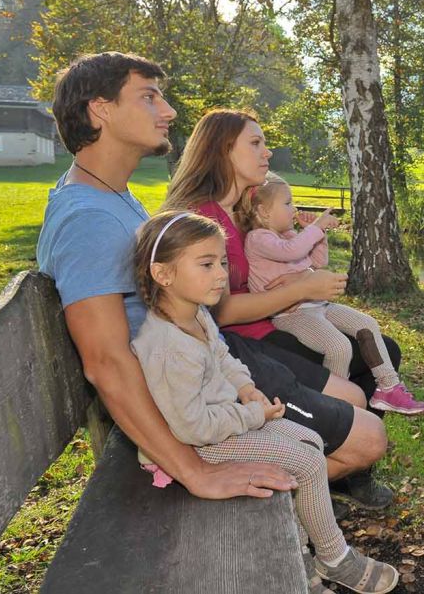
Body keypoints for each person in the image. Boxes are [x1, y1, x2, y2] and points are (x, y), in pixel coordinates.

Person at [35, 52, 293, 499]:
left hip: (197, 374)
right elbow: (106, 362)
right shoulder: (88, 219)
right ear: (101, 109)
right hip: (179, 408)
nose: (169, 111)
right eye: (149, 97)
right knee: (354, 442)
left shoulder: (110, 196)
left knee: (328, 428)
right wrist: (195, 473)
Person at [130, 210, 399, 593]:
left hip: (226, 418)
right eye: (206, 265)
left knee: (308, 440)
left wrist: (245, 388)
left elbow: (224, 357)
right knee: (304, 461)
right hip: (200, 443)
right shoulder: (169, 348)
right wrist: (252, 413)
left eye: (222, 262)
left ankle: (300, 552)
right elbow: (192, 427)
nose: (222, 274)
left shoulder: (196, 316)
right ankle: (334, 558)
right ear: (163, 274)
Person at [163, 109, 400, 508]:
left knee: (381, 349)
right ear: (223, 151)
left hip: (261, 331)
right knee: (357, 386)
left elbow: (267, 262)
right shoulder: (201, 217)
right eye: (255, 143)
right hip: (241, 345)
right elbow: (218, 314)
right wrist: (300, 289)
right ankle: (329, 467)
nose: (267, 153)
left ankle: (340, 464)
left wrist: (293, 230)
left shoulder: (234, 210)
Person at [241, 173, 424, 415]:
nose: (293, 208)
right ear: (264, 212)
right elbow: (291, 252)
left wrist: (318, 235)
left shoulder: (287, 236)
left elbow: (319, 261)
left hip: (318, 305)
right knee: (338, 348)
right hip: (292, 315)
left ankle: (388, 387)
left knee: (367, 324)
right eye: (287, 203)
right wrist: (315, 228)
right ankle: (334, 409)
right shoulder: (257, 239)